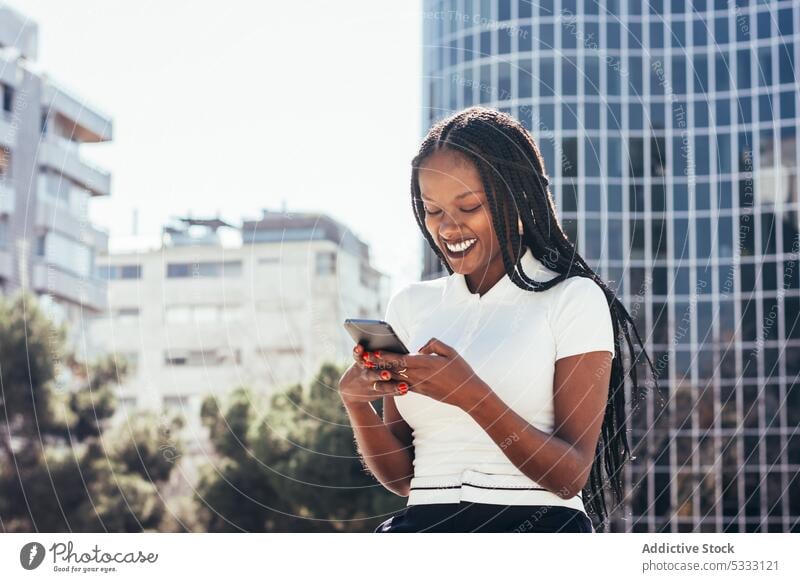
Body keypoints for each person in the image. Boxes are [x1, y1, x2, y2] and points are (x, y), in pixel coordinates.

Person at [338, 106, 658, 533]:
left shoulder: (574, 299)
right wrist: (358, 405)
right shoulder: (411, 305)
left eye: (468, 206)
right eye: (432, 211)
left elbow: (569, 476)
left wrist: (471, 396)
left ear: (519, 197)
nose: (448, 228)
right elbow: (402, 480)